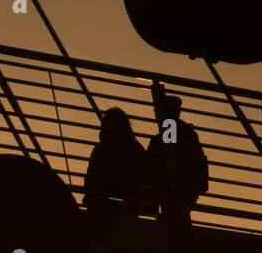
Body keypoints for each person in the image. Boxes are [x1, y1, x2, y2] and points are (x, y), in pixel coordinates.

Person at [146, 94, 208, 229]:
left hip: (177, 189)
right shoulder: (187, 135)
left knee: (174, 222)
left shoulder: (167, 138)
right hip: (184, 190)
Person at [84, 107, 156, 215]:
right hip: (129, 205)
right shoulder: (136, 149)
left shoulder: (101, 149)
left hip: (106, 205)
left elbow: (92, 178)